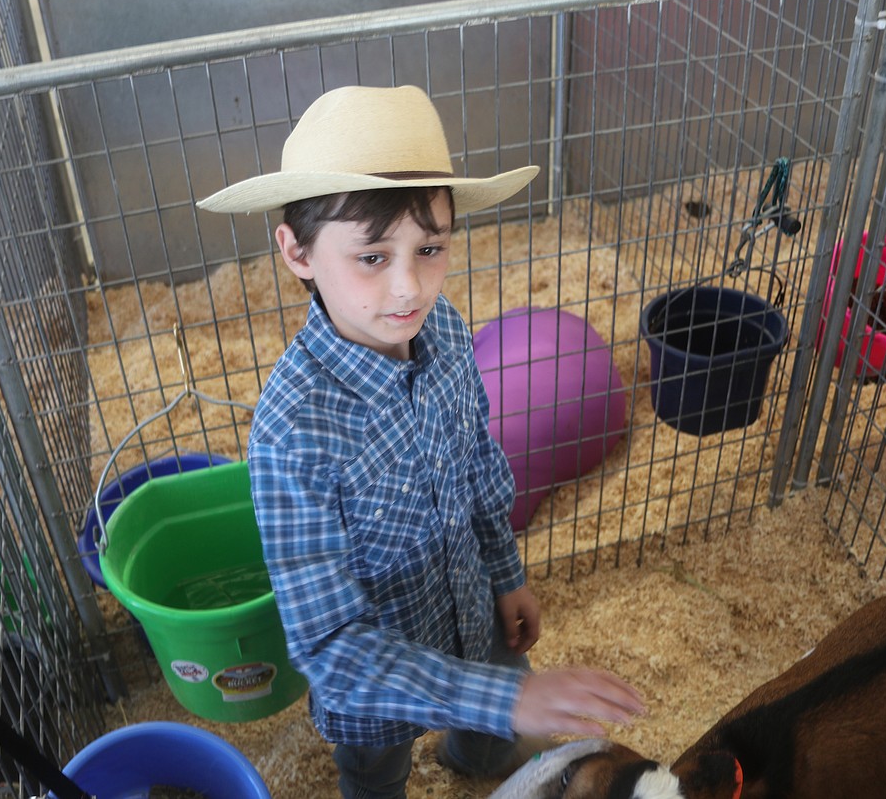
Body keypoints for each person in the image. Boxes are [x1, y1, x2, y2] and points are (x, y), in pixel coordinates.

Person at [197, 85, 644, 798]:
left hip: (474, 615)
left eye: (429, 248)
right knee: (377, 774)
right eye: (372, 256)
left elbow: (478, 466)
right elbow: (332, 650)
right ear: (297, 252)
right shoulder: (293, 429)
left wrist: (505, 573)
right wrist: (508, 698)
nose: (409, 287)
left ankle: (477, 762)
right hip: (375, 693)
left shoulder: (447, 332)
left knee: (500, 746)